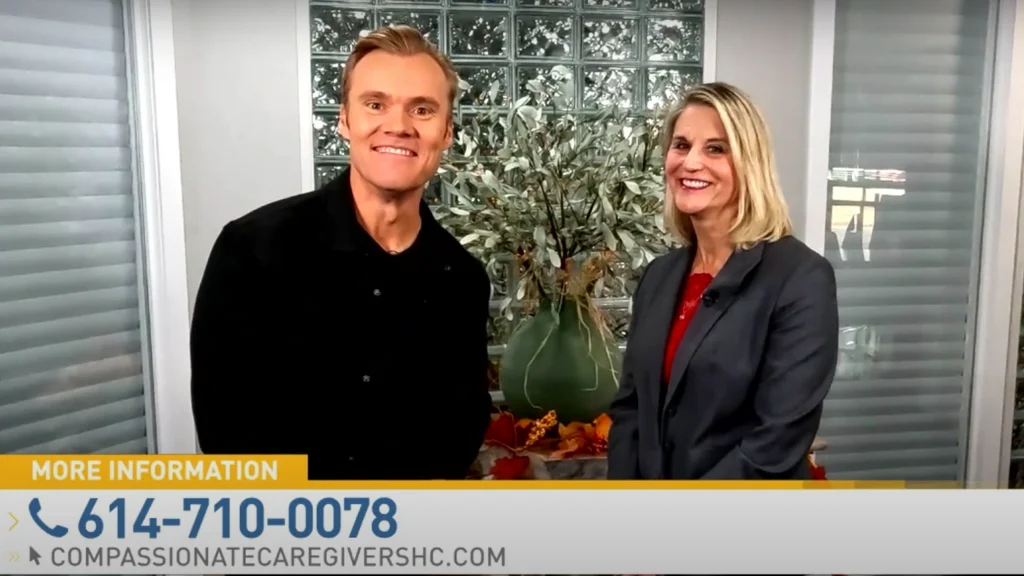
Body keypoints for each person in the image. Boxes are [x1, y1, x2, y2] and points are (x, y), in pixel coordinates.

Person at [189, 25, 493, 480]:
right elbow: (225, 429)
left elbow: (463, 425)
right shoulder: (253, 250)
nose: (398, 125)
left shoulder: (463, 279)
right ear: (345, 120)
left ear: (446, 132)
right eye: (375, 104)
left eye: (423, 109)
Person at [607, 82, 839, 480]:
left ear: (750, 163)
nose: (690, 162)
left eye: (715, 148)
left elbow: (776, 441)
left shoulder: (801, 279)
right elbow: (632, 411)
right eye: (681, 145)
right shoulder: (659, 276)